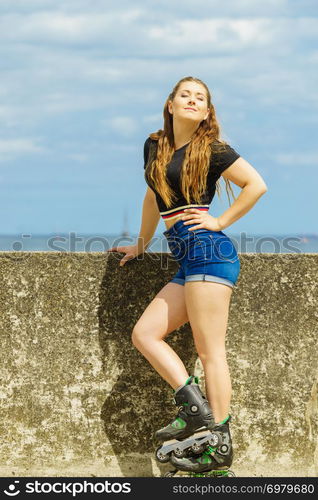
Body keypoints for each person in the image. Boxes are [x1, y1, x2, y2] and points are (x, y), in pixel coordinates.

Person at [108, 76, 267, 474]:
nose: (193, 101)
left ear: (207, 111)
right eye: (186, 95)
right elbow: (152, 195)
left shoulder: (212, 149)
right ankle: (196, 414)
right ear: (171, 104)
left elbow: (256, 185)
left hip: (210, 253)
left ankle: (220, 448)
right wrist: (142, 244)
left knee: (210, 351)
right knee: (144, 334)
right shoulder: (154, 145)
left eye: (201, 98)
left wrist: (219, 221)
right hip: (187, 260)